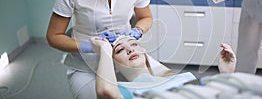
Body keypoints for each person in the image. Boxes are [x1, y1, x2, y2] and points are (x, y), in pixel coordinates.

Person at [90, 35, 237, 99]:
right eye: (120, 50)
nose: (130, 50)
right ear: (113, 65)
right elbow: (106, 91)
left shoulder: (182, 77)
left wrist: (226, 73)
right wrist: (104, 48)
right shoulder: (123, 90)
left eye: (134, 44)